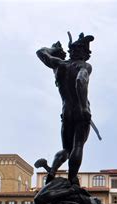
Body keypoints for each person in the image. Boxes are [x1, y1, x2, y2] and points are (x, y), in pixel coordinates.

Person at [36, 32, 95, 185]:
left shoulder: (60, 65)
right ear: (84, 53)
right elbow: (80, 81)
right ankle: (72, 178)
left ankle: (53, 170)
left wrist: (52, 50)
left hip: (66, 112)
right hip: (80, 113)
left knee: (66, 149)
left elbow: (41, 52)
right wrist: (84, 107)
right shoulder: (84, 66)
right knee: (78, 145)